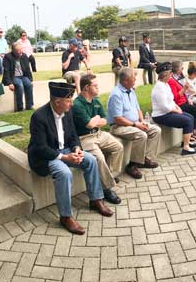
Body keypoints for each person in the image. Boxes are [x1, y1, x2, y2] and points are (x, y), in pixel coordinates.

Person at [27, 82, 113, 235]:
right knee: (64, 173)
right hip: (47, 155)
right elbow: (40, 147)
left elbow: (73, 135)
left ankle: (95, 200)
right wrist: (65, 157)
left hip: (66, 150)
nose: (72, 103)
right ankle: (65, 216)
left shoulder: (67, 111)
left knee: (91, 160)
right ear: (57, 102)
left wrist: (77, 149)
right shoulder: (38, 116)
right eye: (68, 100)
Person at [72, 74, 129, 205]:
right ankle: (107, 189)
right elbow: (89, 125)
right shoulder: (77, 104)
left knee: (118, 147)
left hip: (99, 134)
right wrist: (96, 120)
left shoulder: (96, 101)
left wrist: (95, 120)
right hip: (84, 138)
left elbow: (105, 120)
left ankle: (109, 176)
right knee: (99, 158)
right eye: (95, 86)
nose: (98, 88)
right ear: (86, 87)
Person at [108, 67, 161, 178]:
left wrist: (142, 121)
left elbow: (138, 109)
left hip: (134, 123)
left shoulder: (131, 90)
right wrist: (136, 124)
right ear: (125, 80)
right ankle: (132, 165)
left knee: (156, 130)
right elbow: (117, 118)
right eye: (134, 78)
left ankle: (144, 159)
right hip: (119, 126)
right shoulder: (116, 95)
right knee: (141, 135)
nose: (136, 80)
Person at [151, 62, 196, 155]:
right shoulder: (159, 87)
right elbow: (164, 106)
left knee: (190, 117)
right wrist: (176, 110)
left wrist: (177, 107)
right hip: (161, 115)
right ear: (165, 75)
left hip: (168, 112)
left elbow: (171, 99)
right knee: (187, 121)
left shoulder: (165, 84)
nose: (171, 75)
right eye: (170, 73)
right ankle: (186, 148)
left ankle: (185, 142)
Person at [167, 60, 196, 139]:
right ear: (177, 69)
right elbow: (175, 97)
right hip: (178, 104)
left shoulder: (181, 77)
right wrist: (184, 88)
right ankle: (192, 131)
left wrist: (188, 99)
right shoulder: (172, 80)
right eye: (181, 67)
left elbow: (185, 93)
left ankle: (193, 130)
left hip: (184, 101)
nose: (183, 68)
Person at [2, 41, 34, 111]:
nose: (20, 52)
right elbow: (6, 71)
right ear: (13, 50)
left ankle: (29, 106)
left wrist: (30, 80)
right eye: (18, 50)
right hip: (13, 77)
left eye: (21, 50)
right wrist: (10, 83)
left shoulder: (24, 56)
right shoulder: (8, 57)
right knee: (20, 86)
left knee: (29, 85)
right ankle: (20, 107)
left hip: (23, 76)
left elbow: (28, 69)